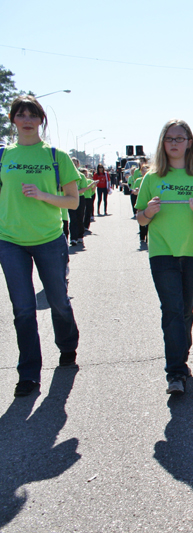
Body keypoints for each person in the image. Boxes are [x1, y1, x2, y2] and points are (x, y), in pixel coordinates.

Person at [0, 95, 81, 397]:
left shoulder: (55, 156)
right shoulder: (3, 155)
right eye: (21, 115)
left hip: (48, 238)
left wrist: (43, 196)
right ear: (13, 120)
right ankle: (29, 373)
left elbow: (73, 201)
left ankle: (68, 345)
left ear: (41, 120)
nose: (27, 120)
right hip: (10, 241)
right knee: (23, 309)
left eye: (32, 115)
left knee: (58, 300)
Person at [135, 119, 193, 395]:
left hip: (192, 252)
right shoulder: (152, 178)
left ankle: (180, 356)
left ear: (189, 142)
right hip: (162, 253)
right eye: (169, 138)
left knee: (185, 311)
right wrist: (148, 212)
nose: (174, 143)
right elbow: (141, 220)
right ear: (162, 142)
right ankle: (176, 372)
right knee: (171, 310)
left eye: (179, 138)